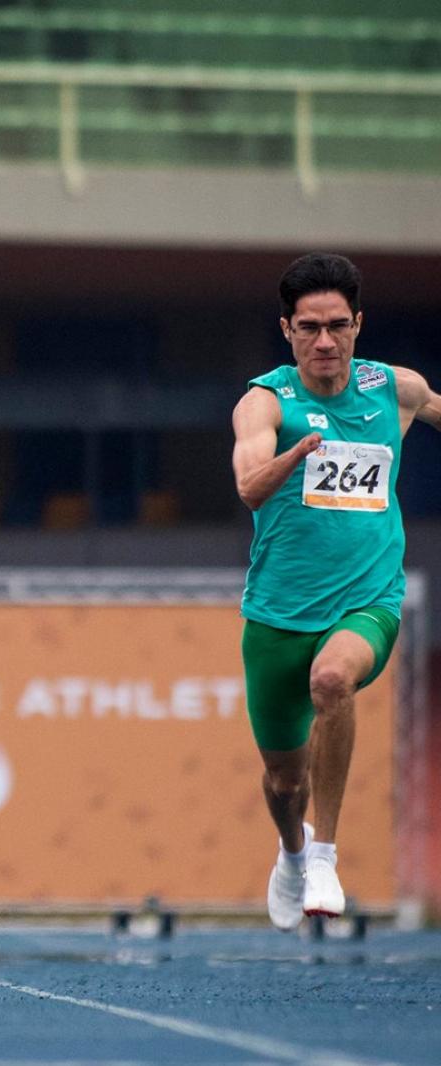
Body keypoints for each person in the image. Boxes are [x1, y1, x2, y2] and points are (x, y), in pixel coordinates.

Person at [232, 251, 441, 931]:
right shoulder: (265, 402)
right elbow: (247, 486)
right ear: (288, 331)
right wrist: (295, 456)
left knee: (333, 680)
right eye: (309, 327)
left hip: (367, 601)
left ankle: (324, 852)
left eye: (337, 326)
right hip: (277, 616)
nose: (325, 341)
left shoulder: (396, 389)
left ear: (357, 324)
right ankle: (293, 848)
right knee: (284, 783)